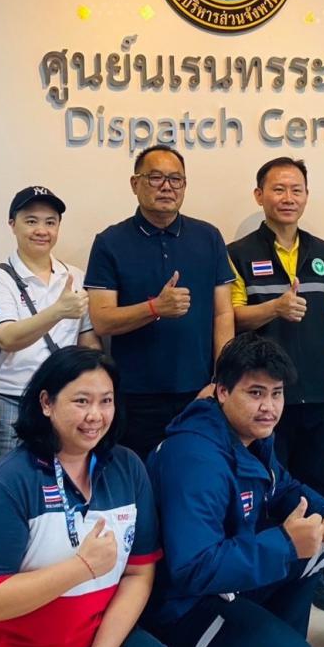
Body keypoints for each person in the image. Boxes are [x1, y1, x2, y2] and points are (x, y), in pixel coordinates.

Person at [0, 346, 186, 647]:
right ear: (46, 403)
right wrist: (81, 568)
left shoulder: (127, 468)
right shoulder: (6, 485)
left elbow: (138, 574)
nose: (95, 415)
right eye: (81, 401)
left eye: (106, 401)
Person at [145, 333, 324, 647]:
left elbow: (285, 487)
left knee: (320, 542)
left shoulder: (250, 436)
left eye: (276, 393)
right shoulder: (195, 459)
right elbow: (192, 569)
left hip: (227, 579)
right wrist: (284, 544)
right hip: (182, 607)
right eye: (255, 393)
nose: (269, 407)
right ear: (222, 392)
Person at [85, 144, 235, 459]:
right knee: (139, 477)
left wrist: (222, 378)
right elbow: (101, 320)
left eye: (175, 179)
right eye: (155, 177)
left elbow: (223, 314)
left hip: (200, 391)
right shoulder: (110, 242)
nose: (167, 186)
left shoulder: (209, 237)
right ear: (134, 183)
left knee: (197, 474)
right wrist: (155, 308)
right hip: (134, 395)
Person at [227, 157, 324, 495]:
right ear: (259, 195)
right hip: (264, 394)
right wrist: (274, 308)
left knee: (317, 485)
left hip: (318, 391)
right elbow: (232, 317)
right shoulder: (238, 253)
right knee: (268, 485)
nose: (288, 198)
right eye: (278, 189)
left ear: (306, 196)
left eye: (296, 190)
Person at [0, 186, 100, 466]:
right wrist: (58, 311)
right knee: (8, 481)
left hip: (63, 400)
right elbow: (6, 338)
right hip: (12, 400)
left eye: (50, 222)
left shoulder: (74, 276)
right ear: (13, 224)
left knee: (60, 479)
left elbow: (87, 340)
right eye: (31, 221)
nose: (41, 230)